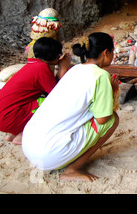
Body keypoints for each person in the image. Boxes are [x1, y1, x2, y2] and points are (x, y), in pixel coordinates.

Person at [22, 32, 119, 182]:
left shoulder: (75, 69)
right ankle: (72, 169)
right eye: (112, 52)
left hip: (29, 145)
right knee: (113, 120)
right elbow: (102, 119)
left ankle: (67, 157)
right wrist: (111, 91)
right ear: (106, 52)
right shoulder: (101, 76)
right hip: (48, 154)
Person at [0, 37, 71, 145]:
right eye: (58, 55)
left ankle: (14, 132)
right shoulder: (41, 69)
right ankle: (23, 136)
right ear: (53, 56)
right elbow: (55, 94)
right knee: (53, 105)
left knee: (38, 100)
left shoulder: (32, 64)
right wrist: (63, 69)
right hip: (8, 118)